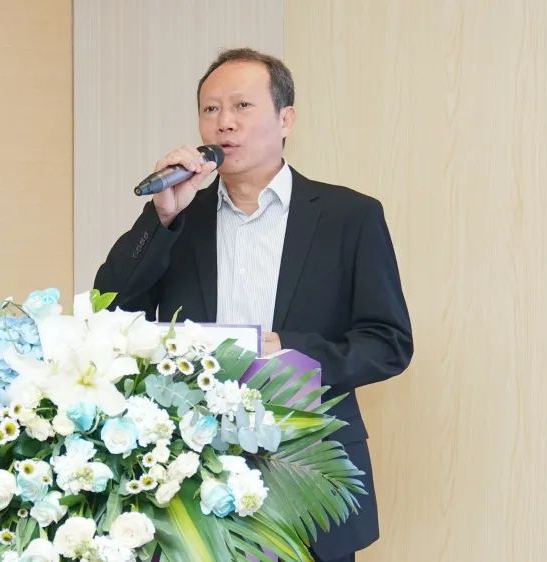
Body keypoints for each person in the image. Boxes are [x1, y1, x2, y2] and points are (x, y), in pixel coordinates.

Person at [93, 47, 414, 562]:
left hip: (308, 471)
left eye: (242, 106)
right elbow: (109, 309)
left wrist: (290, 351)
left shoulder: (349, 217)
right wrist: (161, 218)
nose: (224, 123)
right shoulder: (180, 218)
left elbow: (388, 343)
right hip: (189, 473)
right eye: (211, 109)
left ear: (286, 119)